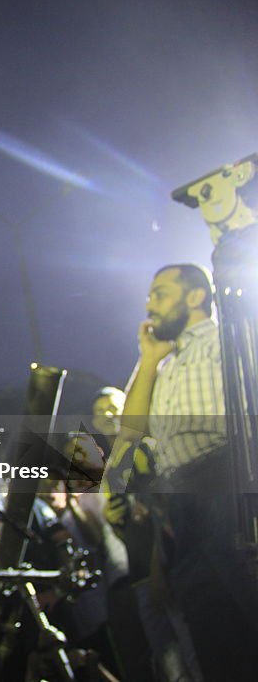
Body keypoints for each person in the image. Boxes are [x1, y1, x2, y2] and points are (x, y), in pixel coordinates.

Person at [106, 263, 258, 679]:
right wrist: (149, 358)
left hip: (228, 491)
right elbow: (132, 429)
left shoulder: (224, 340)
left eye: (160, 293)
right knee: (215, 640)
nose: (148, 304)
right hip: (186, 510)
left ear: (194, 297)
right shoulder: (164, 364)